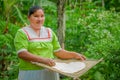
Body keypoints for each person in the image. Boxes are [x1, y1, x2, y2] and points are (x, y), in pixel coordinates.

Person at [14, 5, 86, 80]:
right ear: (29, 17)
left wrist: (74, 55)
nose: (40, 19)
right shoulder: (22, 33)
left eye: (42, 16)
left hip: (50, 72)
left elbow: (59, 52)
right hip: (31, 73)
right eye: (36, 16)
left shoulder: (49, 32)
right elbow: (22, 54)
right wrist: (43, 60)